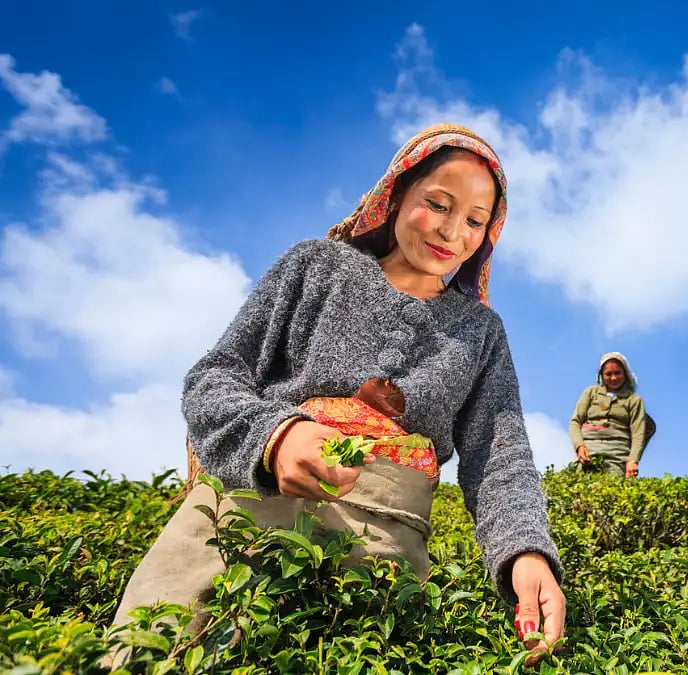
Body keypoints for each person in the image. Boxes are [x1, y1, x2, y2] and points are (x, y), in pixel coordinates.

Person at [110, 124, 566, 657]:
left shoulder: (481, 332)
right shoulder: (315, 267)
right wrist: (274, 436)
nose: (452, 232)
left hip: (385, 543)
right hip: (249, 511)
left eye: (474, 220)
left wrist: (525, 552)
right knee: (151, 652)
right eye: (437, 204)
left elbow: (499, 456)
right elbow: (215, 377)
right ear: (395, 197)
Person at [568, 352, 654, 478]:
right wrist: (580, 446)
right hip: (589, 449)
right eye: (608, 374)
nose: (613, 378)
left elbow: (638, 433)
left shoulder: (634, 400)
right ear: (601, 375)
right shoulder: (591, 393)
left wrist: (632, 460)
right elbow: (575, 421)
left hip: (617, 454)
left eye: (617, 373)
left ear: (624, 373)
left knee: (611, 489)